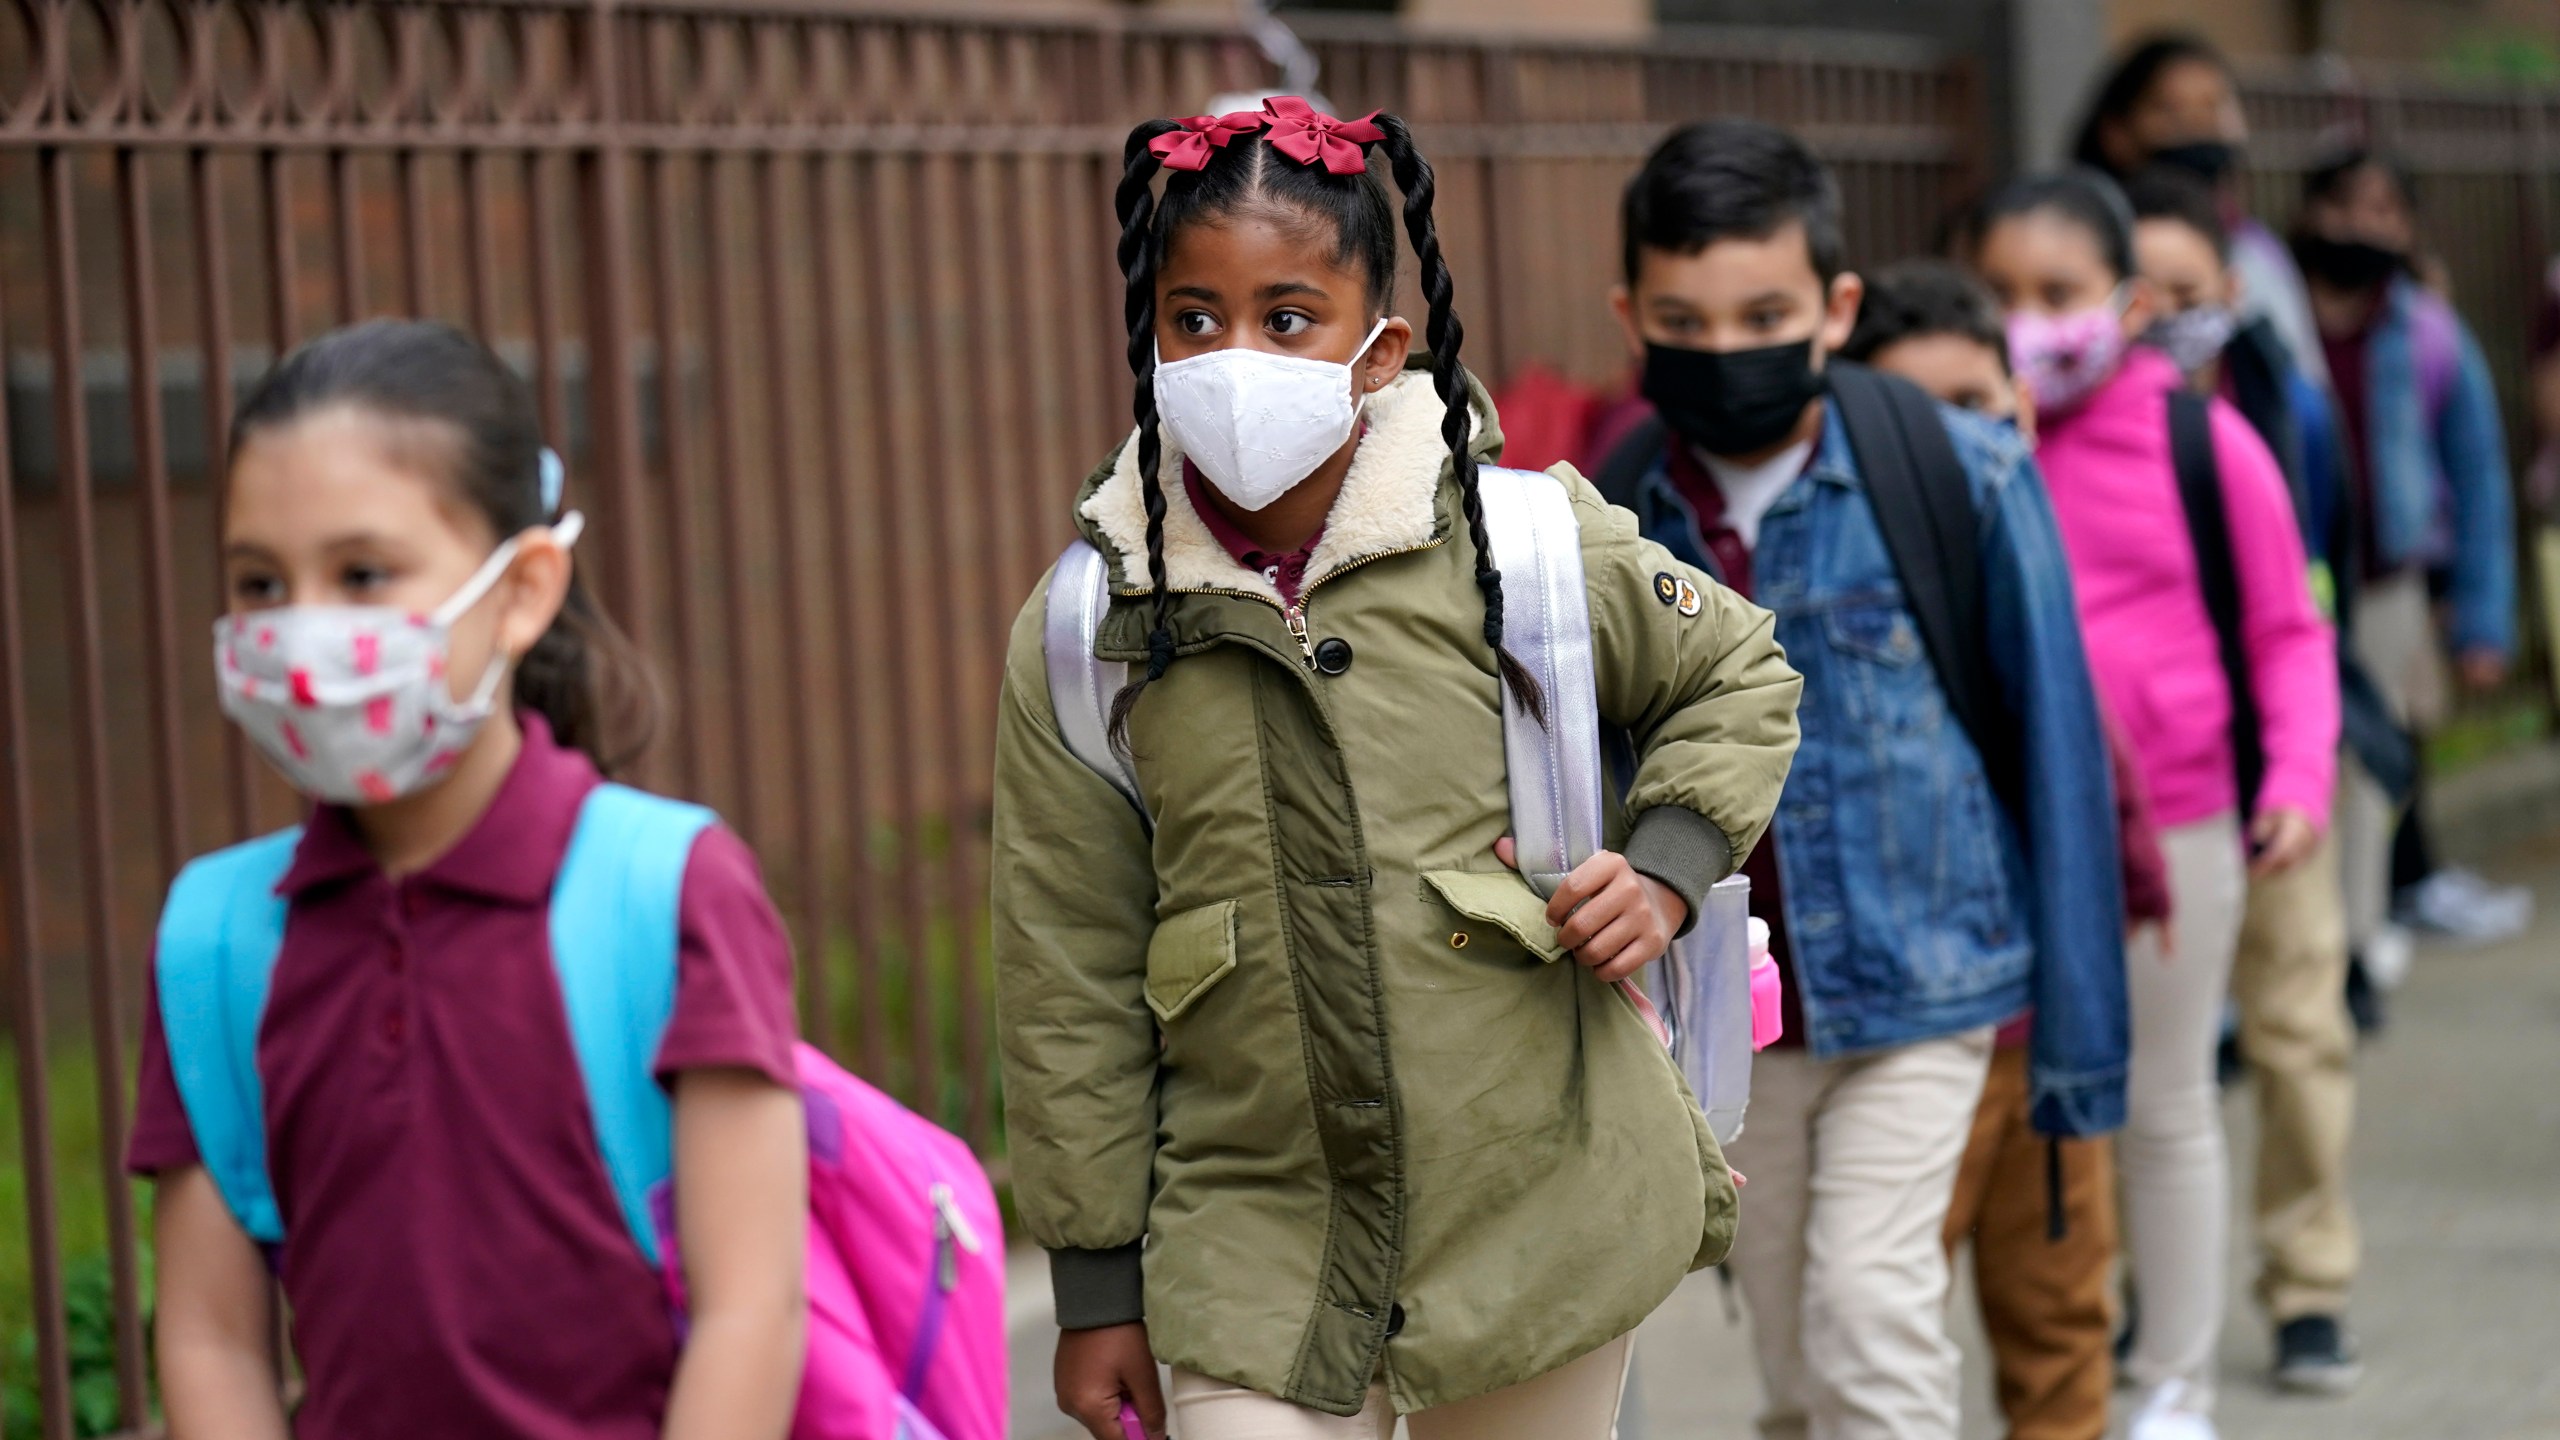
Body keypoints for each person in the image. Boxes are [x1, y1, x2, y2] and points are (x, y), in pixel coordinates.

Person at [993, 99, 1804, 1440]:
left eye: (1287, 316)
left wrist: (1663, 872)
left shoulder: (1528, 543)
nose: (1235, 357)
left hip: (1535, 1204)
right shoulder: (1088, 629)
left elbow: (1737, 674)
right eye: (1196, 320)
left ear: (1379, 350)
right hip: (1247, 1242)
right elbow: (1065, 973)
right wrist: (1094, 1285)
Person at [129, 321, 810, 1439]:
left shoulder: (668, 889)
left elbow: (752, 1309)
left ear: (524, 587)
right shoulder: (213, 941)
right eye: (261, 580)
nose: (303, 631)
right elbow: (210, 1337)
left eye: (362, 573)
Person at [1604, 120, 2127, 1440]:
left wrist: (2079, 1040)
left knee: (1868, 1316)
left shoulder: (1961, 473)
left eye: (1765, 312)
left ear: (1835, 306)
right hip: (1736, 1013)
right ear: (1632, 315)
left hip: (1932, 985)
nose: (1728, 350)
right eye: (1686, 318)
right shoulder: (1606, 519)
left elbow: (2056, 752)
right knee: (1792, 1354)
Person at [1974, 172, 2340, 1440]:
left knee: (2164, 1103)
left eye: (2059, 294)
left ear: (2128, 304)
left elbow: (2290, 631)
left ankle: (2171, 1382)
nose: (2031, 321)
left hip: (2177, 826)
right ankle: (2052, 1363)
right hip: (2003, 820)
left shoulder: (2202, 441)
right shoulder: (1962, 435)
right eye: (2003, 295)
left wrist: (2294, 781)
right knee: (2022, 1119)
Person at [1842, 258, 2172, 1440]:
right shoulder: (1846, 602)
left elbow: (2084, 758)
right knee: (1875, 1334)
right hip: (1899, 1048)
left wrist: (2135, 882)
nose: (1960, 445)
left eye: (1981, 407)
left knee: (2058, 1328)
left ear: (2022, 405)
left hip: (2035, 1033)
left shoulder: (2025, 548)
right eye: (1915, 419)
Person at [2126, 164, 2370, 1393]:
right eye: (2140, 291)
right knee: (2146, 1067)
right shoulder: (2065, 423)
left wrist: (2299, 768)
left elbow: (2305, 608)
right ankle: (2149, 1287)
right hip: (2148, 801)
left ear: (2225, 292)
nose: (2164, 315)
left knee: (2294, 1032)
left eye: (2186, 291)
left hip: (2271, 775)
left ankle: (2308, 1284)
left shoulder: (2277, 407)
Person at [2293, 149, 2522, 990]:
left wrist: (2482, 617)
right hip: (2287, 579)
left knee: (2367, 769)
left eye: (2387, 211)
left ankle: (2353, 945)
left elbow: (2479, 475)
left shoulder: (2427, 332)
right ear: (2310, 211)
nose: (2364, 226)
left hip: (2383, 587)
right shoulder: (2275, 319)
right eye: (2347, 205)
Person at [2073, 32, 2328, 389]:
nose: (2197, 126)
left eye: (2214, 107)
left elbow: (2302, 383)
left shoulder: (2258, 253)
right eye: (2170, 109)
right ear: (2116, 131)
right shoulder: (2078, 244)